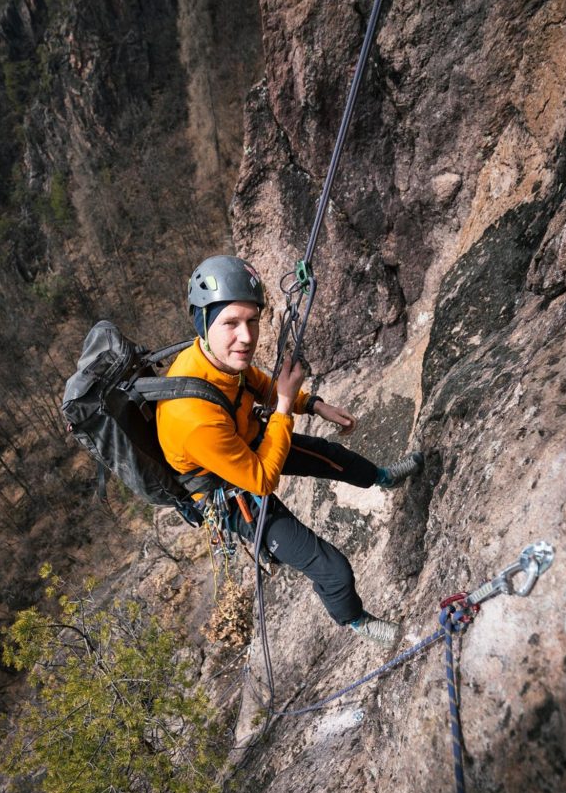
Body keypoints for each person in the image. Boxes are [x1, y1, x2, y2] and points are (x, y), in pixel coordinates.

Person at [156, 255, 423, 644]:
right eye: (230, 323)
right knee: (332, 569)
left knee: (334, 457)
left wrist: (312, 404)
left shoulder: (215, 359)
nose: (246, 337)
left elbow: (258, 383)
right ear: (203, 322)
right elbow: (262, 480)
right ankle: (356, 621)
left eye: (251, 320)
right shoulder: (191, 416)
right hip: (232, 495)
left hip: (246, 445)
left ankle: (382, 478)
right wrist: (284, 405)